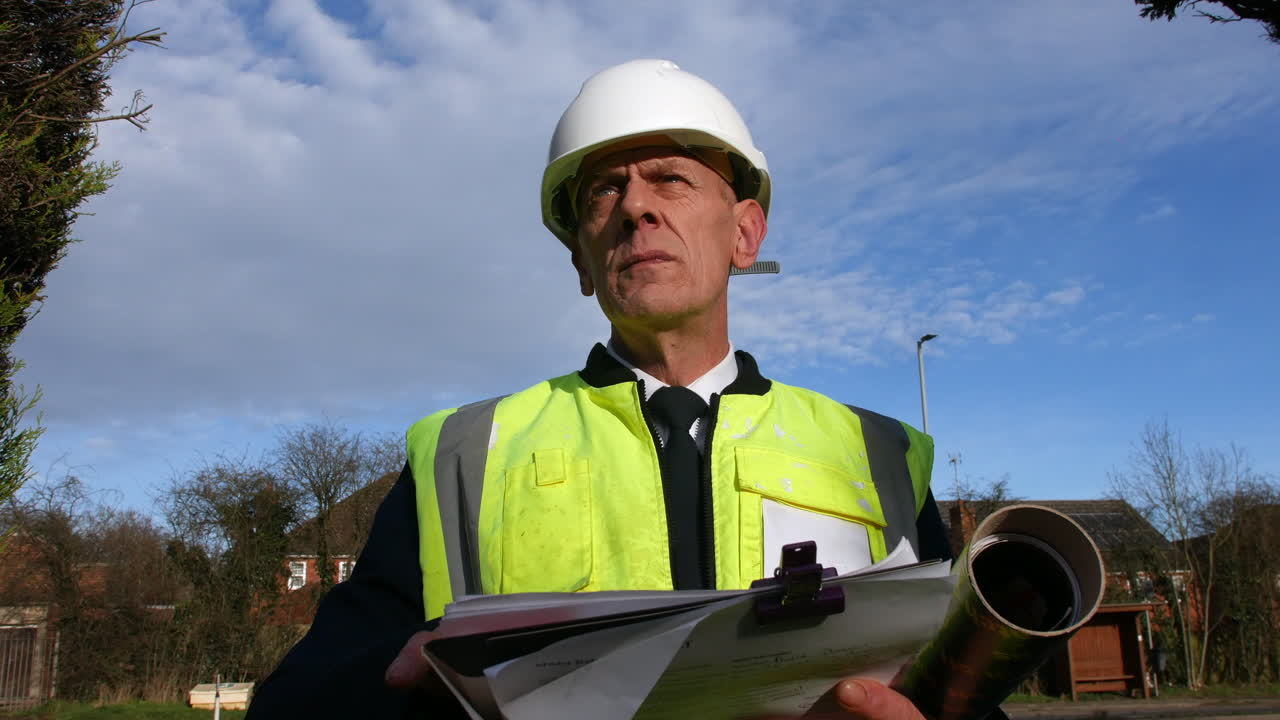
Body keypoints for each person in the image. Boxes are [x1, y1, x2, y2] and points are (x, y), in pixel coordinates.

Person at [247, 59, 951, 720]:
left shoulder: (879, 455)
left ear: (745, 234)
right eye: (603, 191)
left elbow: (959, 688)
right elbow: (300, 700)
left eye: (670, 178)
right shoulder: (464, 455)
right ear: (582, 261)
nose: (635, 207)